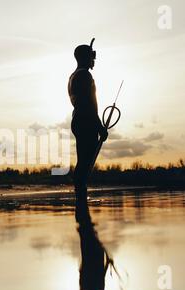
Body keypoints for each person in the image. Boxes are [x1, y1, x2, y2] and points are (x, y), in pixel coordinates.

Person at [68, 41, 108, 213]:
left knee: (83, 162)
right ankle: (81, 202)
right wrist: (99, 127)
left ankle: (81, 202)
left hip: (79, 121)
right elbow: (88, 104)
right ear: (84, 57)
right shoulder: (85, 76)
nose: (94, 59)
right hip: (86, 122)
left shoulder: (74, 75)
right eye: (92, 56)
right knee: (85, 164)